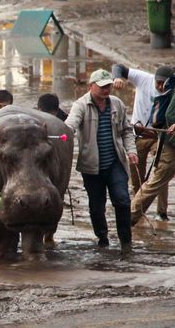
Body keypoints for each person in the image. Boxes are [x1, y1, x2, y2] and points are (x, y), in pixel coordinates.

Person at [65, 69, 138, 255]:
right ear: (91, 86)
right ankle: (103, 239)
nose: (106, 90)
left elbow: (127, 130)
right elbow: (71, 124)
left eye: (108, 86)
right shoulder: (81, 105)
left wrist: (131, 150)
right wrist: (64, 135)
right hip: (91, 166)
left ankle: (126, 242)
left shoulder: (117, 104)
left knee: (122, 200)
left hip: (115, 162)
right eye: (102, 87)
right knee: (96, 207)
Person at [112, 64, 174, 221]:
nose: (159, 87)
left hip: (159, 136)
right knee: (136, 174)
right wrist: (117, 77)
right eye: (157, 83)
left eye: (163, 84)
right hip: (138, 134)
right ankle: (139, 208)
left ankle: (161, 212)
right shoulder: (143, 79)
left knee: (161, 171)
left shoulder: (172, 90)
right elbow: (118, 66)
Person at [131, 73, 175, 226]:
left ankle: (160, 213)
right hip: (169, 144)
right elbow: (169, 114)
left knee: (156, 181)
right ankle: (128, 219)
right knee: (156, 180)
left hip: (164, 141)